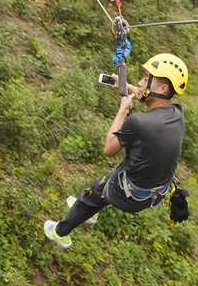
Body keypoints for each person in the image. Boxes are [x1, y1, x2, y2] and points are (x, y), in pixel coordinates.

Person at [45, 53, 189, 249]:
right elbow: (149, 99)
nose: (140, 82)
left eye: (146, 79)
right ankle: (94, 206)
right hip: (155, 194)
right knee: (108, 185)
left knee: (89, 196)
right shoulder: (177, 113)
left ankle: (60, 233)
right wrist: (125, 86)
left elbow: (109, 149)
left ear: (163, 88)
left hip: (127, 195)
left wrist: (122, 110)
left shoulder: (138, 122)